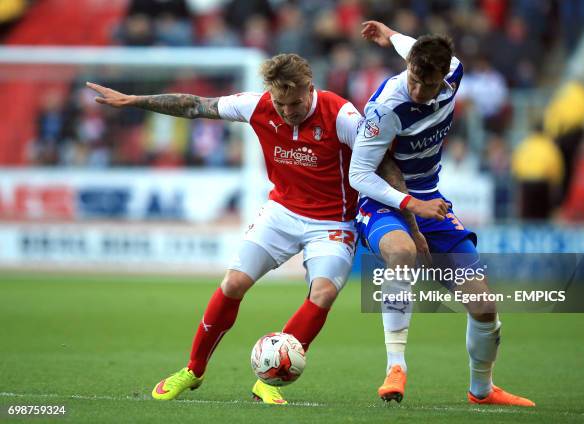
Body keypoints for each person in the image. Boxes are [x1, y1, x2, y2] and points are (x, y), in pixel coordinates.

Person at [87, 53, 444, 404]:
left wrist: (412, 226)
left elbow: (383, 164)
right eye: (280, 103)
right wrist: (135, 100)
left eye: (294, 103)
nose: (286, 111)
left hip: (333, 221)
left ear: (310, 89)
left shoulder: (342, 115)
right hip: (281, 212)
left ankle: (270, 376)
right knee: (233, 282)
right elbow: (195, 105)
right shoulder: (257, 106)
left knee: (323, 293)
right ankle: (193, 370)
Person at [349, 21, 535, 407]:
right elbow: (359, 174)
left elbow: (414, 47)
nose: (418, 89)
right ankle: (395, 366)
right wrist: (411, 206)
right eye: (414, 79)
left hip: (431, 200)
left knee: (484, 307)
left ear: (444, 78)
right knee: (402, 252)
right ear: (409, 68)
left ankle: (481, 391)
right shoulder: (385, 107)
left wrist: (391, 36)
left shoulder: (452, 70)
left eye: (427, 85)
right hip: (382, 201)